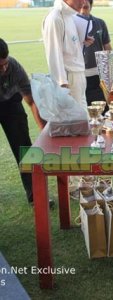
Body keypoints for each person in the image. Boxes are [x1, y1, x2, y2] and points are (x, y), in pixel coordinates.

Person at [0, 38, 49, 206]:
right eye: (0, 66)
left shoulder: (14, 67)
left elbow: (31, 100)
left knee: (24, 147)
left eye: (5, 63)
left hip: (10, 101)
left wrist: (44, 130)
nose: (4, 68)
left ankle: (35, 193)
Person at [42, 0, 92, 110]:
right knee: (76, 123)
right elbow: (53, 54)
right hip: (69, 78)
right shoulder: (55, 18)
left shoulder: (71, 15)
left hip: (79, 75)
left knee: (84, 121)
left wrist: (82, 40)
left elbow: (70, 45)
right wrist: (62, 86)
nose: (84, 3)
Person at [80, 0, 112, 107]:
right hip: (79, 76)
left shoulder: (100, 23)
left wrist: (110, 70)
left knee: (102, 110)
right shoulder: (71, 24)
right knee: (85, 112)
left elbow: (107, 47)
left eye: (87, 1)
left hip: (98, 76)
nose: (84, 3)